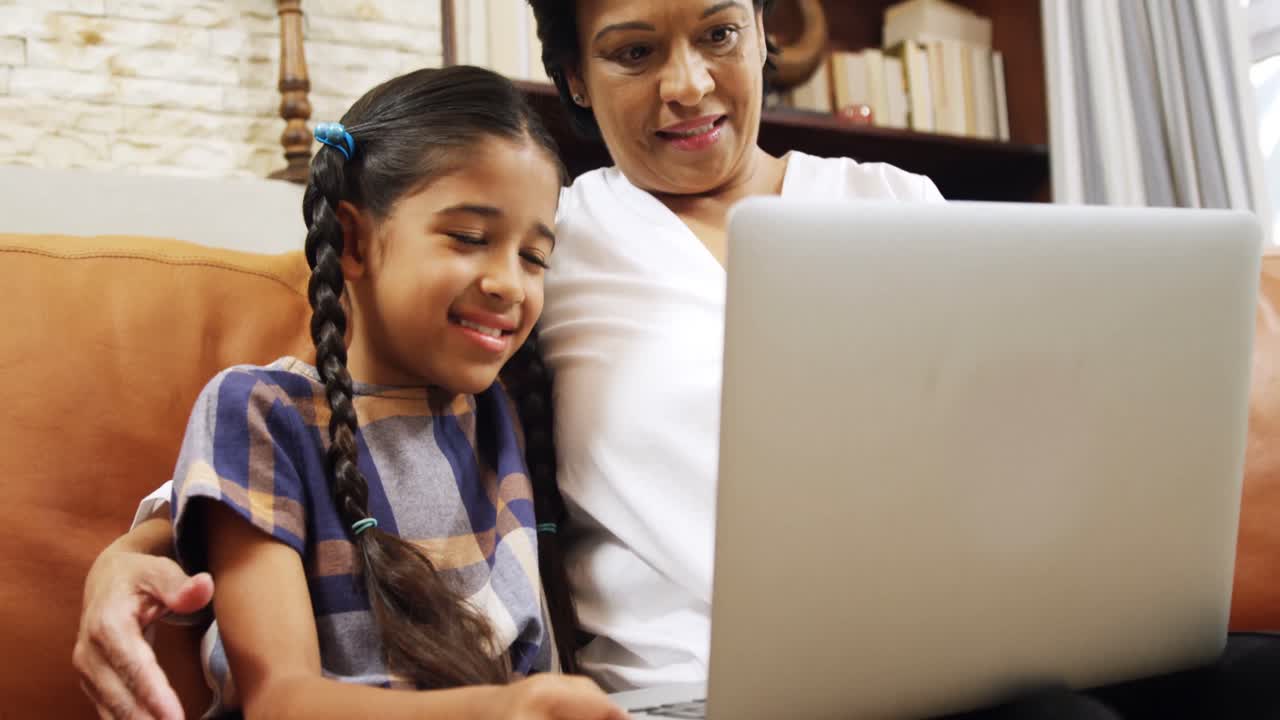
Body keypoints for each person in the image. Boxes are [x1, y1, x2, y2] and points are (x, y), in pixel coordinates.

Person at [76, 1, 1280, 718]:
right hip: (693, 689)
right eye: (633, 49)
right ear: (569, 77)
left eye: (717, 32)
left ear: (762, 32)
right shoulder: (553, 230)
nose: (689, 84)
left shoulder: (898, 199)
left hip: (952, 651)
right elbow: (342, 386)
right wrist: (133, 552)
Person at [74, 64, 626, 720]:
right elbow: (281, 700)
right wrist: (505, 711)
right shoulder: (262, 412)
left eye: (535, 257)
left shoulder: (504, 413)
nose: (510, 283)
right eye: (471, 239)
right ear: (353, 239)